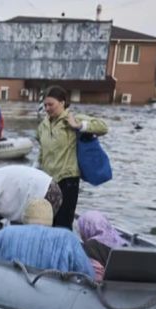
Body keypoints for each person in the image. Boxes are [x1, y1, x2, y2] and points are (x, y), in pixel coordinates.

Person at [36, 85, 108, 229]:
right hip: (47, 181)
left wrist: (79, 125)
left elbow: (103, 127)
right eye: (45, 105)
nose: (47, 108)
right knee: (46, 222)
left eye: (51, 104)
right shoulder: (43, 126)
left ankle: (63, 250)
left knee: (62, 225)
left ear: (62, 103)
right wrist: (35, 171)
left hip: (67, 180)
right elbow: (42, 152)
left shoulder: (71, 119)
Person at [0, 208, 95, 278]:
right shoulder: (67, 238)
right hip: (54, 296)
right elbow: (88, 275)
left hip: (10, 290)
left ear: (25, 217)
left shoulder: (9, 232)